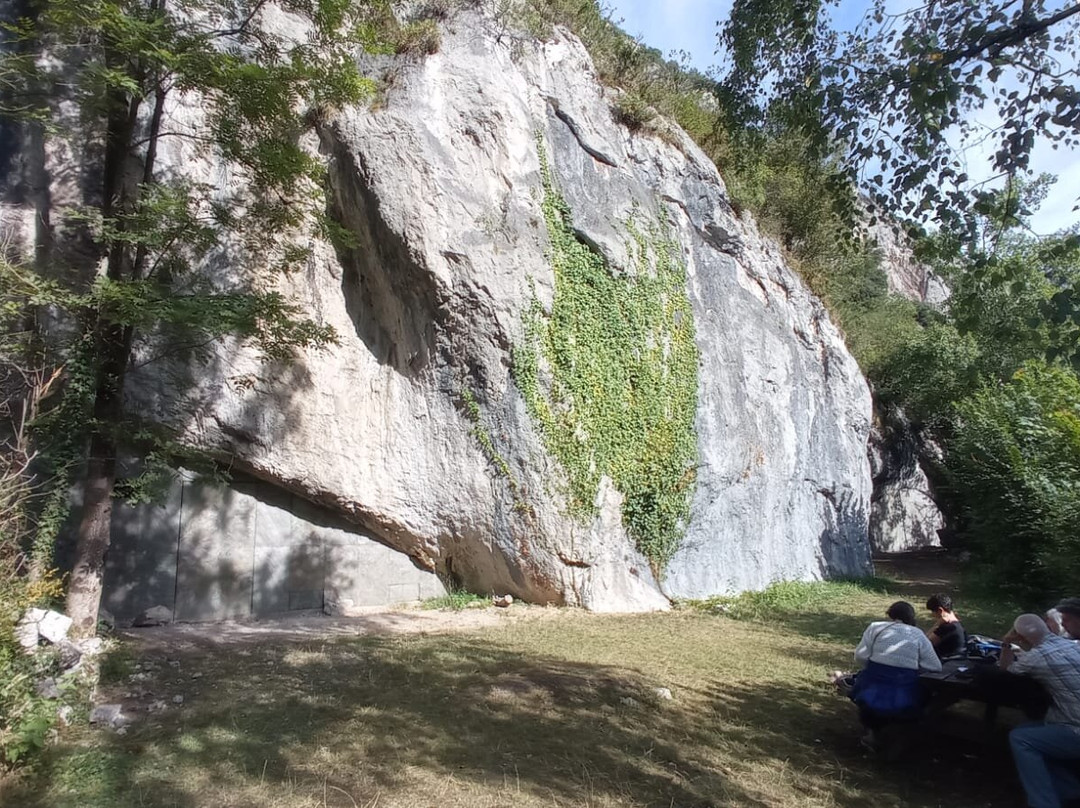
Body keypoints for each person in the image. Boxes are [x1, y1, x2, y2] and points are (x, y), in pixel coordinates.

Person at [1001, 613, 1080, 808]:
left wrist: (1006, 643)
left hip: (1076, 729)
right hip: (1068, 719)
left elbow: (1004, 670)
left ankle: (1044, 803)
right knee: (1028, 730)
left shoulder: (1035, 658)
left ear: (1021, 637)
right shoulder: (1074, 645)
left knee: (1022, 739)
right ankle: (1069, 789)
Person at [847, 601, 942, 747]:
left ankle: (873, 732)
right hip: (904, 687)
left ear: (890, 614)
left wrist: (875, 666)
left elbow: (860, 656)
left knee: (862, 689)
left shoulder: (875, 628)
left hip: (873, 683)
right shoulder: (917, 634)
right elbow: (935, 666)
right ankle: (898, 735)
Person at [925, 593, 966, 658]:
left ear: (940, 610)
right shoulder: (958, 625)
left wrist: (937, 624)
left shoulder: (947, 627)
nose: (932, 615)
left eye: (933, 611)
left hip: (944, 662)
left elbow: (925, 643)